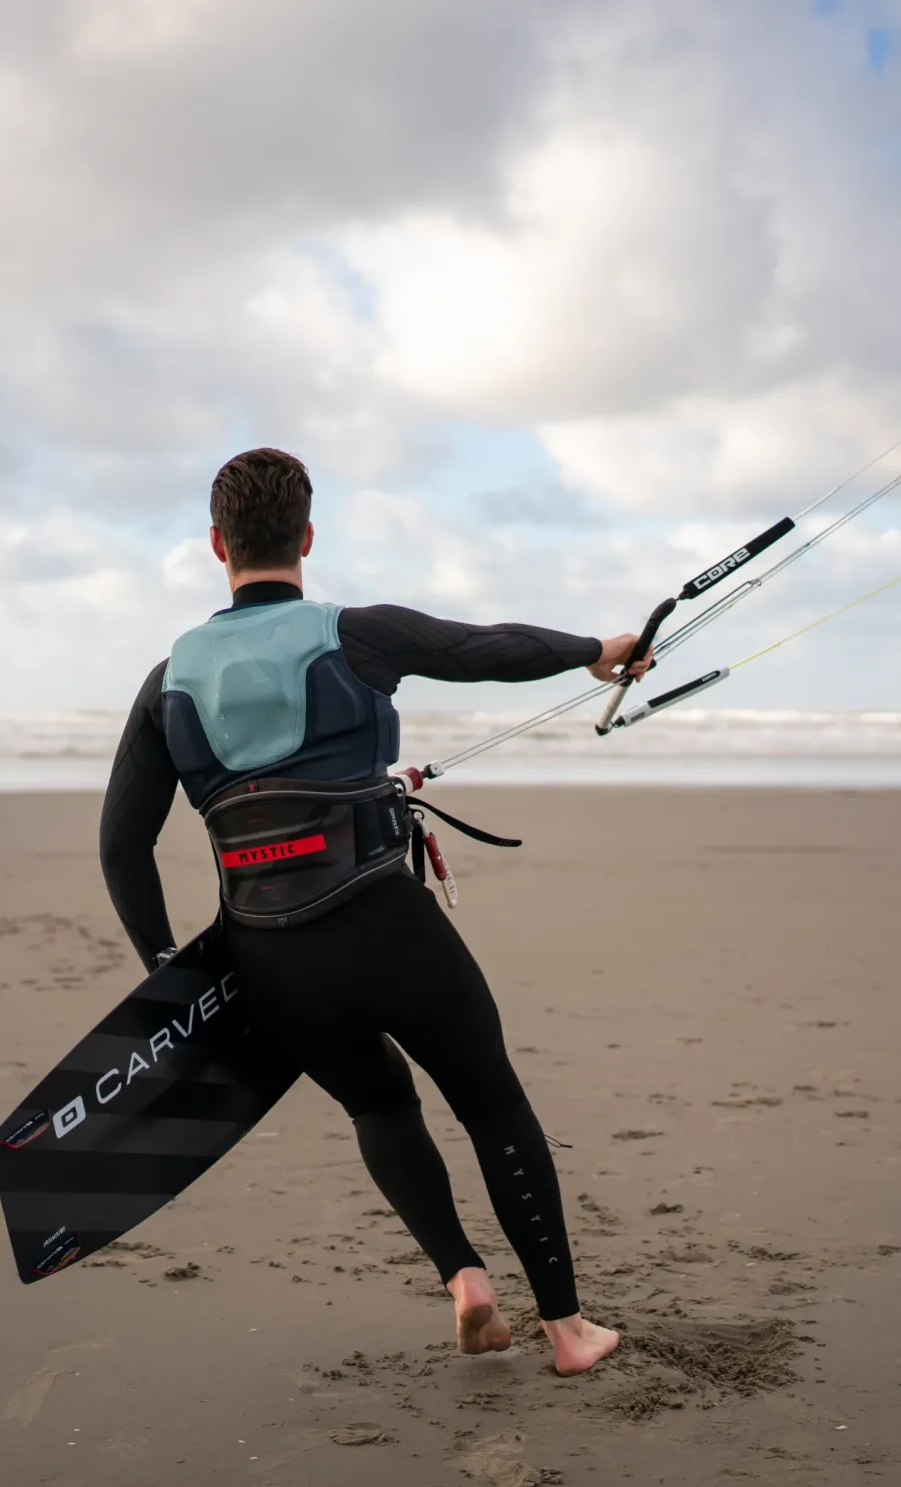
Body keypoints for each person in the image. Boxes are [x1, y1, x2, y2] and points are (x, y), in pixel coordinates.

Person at [99, 447, 649, 1375]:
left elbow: (123, 846)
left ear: (214, 545)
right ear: (307, 537)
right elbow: (484, 651)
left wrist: (168, 972)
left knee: (378, 1105)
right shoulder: (357, 634)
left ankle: (465, 1282)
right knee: (490, 1102)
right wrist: (598, 651)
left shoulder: (168, 681)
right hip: (387, 925)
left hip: (268, 960)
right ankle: (567, 1331)